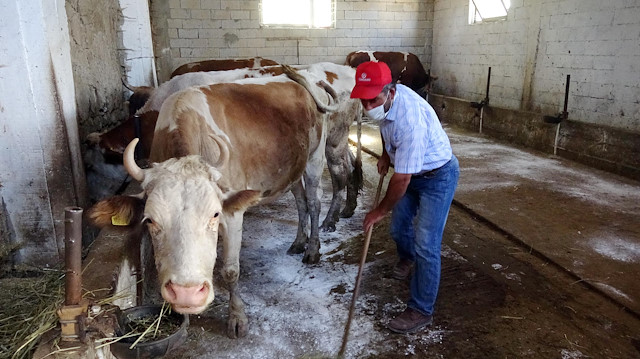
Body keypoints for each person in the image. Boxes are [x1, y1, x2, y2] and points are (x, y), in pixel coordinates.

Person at [350, 61, 459, 334]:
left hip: (437, 176)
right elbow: (389, 132)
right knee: (399, 227)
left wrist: (378, 211)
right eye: (362, 100)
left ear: (390, 91)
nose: (366, 108)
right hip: (411, 169)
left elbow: (402, 181)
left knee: (427, 242)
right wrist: (387, 154)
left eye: (371, 100)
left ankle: (421, 309)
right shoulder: (387, 103)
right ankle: (406, 259)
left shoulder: (410, 118)